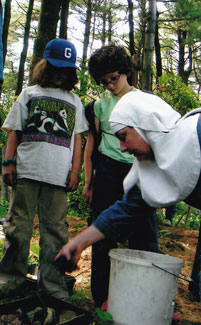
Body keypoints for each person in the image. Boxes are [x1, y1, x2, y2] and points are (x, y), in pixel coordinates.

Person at [56, 89, 201, 301]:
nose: (122, 148)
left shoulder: (196, 134)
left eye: (124, 137)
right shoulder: (152, 172)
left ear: (144, 125)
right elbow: (122, 212)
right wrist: (76, 244)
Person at [0, 38, 88, 301]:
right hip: (26, 172)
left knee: (56, 232)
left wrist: (75, 171)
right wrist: (8, 161)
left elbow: (78, 140)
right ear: (45, 66)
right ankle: (9, 281)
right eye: (56, 67)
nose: (61, 73)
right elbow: (15, 130)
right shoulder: (29, 94)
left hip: (58, 177)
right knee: (17, 228)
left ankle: (52, 286)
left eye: (67, 69)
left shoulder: (74, 101)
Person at [82, 44, 158, 307]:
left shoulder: (144, 100)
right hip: (107, 170)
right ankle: (102, 298)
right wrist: (88, 181)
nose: (111, 85)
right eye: (104, 82)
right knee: (103, 235)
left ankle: (146, 297)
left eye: (114, 78)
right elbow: (91, 143)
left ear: (125, 71)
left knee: (144, 234)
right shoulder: (97, 106)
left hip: (139, 169)